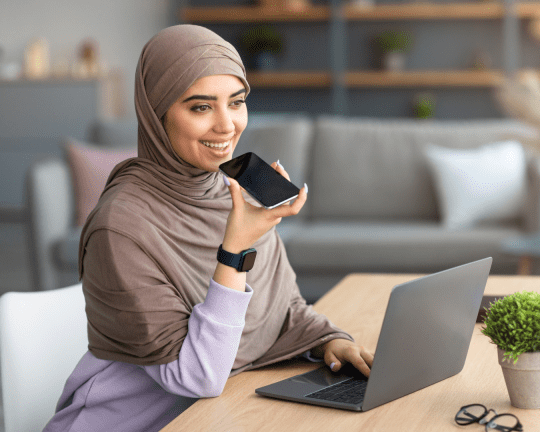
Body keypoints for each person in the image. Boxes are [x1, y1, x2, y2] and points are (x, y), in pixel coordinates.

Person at [43, 25, 373, 432]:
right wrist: (234, 251)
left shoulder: (233, 188)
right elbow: (197, 377)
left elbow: (283, 309)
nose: (227, 126)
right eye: (201, 107)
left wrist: (329, 341)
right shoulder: (120, 228)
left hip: (221, 416)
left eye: (236, 103)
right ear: (155, 113)